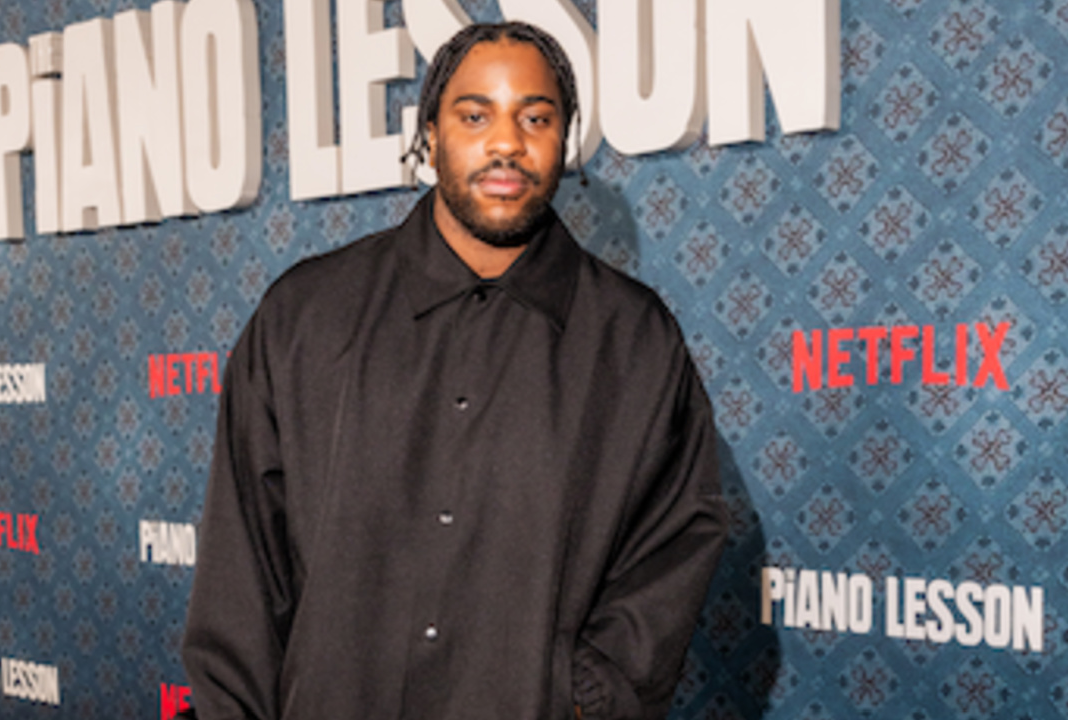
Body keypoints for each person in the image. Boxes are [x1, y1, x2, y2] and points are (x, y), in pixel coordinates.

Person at [181, 21, 728, 720]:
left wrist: (585, 696)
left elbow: (676, 542)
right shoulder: (305, 317)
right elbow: (244, 564)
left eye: (536, 117)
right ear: (431, 135)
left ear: (565, 139)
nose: (507, 142)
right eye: (475, 115)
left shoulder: (635, 340)